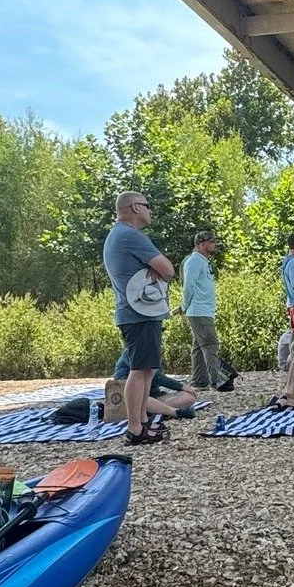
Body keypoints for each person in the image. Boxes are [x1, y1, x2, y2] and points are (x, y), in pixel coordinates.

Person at [101, 189, 175, 445]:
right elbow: (168, 269)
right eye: (147, 205)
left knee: (147, 368)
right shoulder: (131, 236)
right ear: (134, 207)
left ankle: (142, 421)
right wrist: (154, 269)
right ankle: (135, 427)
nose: (150, 210)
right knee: (139, 369)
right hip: (139, 313)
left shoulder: (116, 236)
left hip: (133, 313)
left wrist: (150, 269)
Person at [181, 229, 235, 393]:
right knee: (210, 344)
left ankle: (200, 380)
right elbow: (188, 286)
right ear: (202, 244)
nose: (215, 245)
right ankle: (218, 380)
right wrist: (184, 306)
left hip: (203, 310)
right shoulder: (195, 261)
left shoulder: (203, 261)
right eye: (212, 242)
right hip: (199, 310)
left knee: (199, 346)